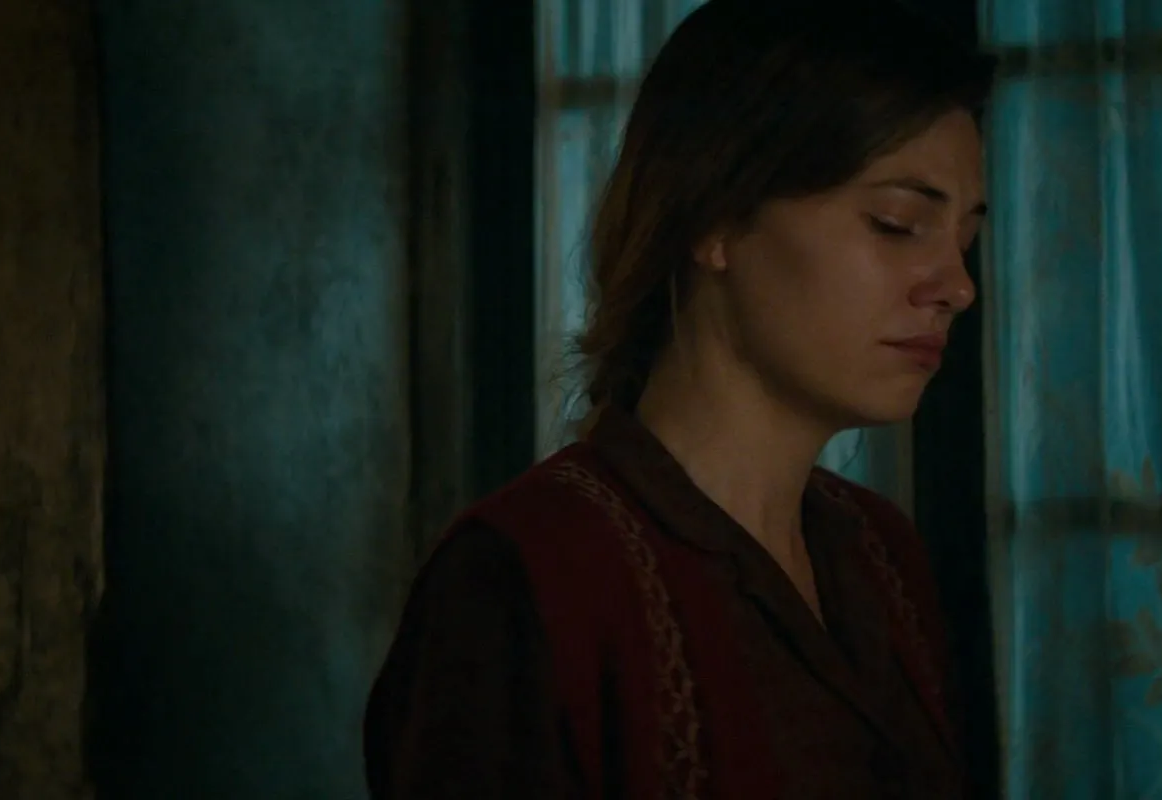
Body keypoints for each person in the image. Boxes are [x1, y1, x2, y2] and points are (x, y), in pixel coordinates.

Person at [364, 0, 994, 797]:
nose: (958, 287)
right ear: (717, 219)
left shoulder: (882, 557)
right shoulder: (526, 573)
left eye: (965, 240)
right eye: (896, 223)